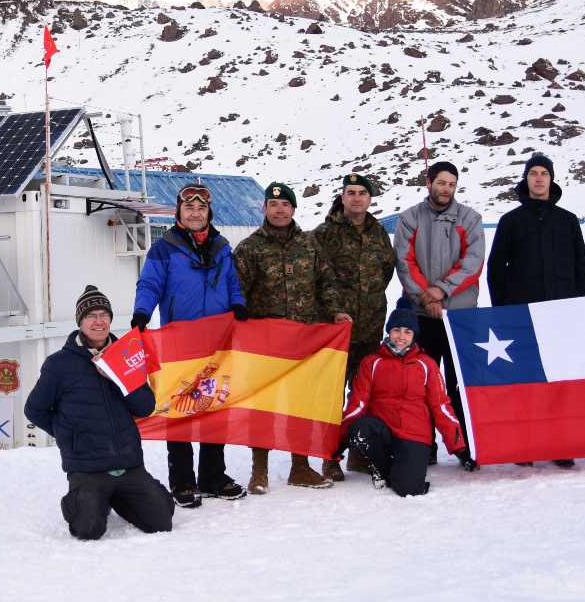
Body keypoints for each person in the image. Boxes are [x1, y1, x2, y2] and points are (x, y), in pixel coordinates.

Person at [24, 285, 174, 540]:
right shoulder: (59, 364)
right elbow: (34, 409)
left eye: (104, 315)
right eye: (91, 315)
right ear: (80, 322)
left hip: (128, 464)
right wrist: (68, 434)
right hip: (88, 468)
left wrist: (117, 377)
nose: (98, 321)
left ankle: (120, 497)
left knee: (161, 521)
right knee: (88, 529)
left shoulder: (124, 355)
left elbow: (145, 407)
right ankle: (81, 501)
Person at [131, 183, 248, 507]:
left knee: (215, 404)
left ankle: (212, 476)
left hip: (218, 341)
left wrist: (238, 304)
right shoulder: (164, 248)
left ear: (208, 212)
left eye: (200, 208)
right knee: (179, 408)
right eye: (189, 208)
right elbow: (150, 282)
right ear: (179, 212)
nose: (195, 213)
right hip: (180, 343)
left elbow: (231, 283)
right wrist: (142, 311)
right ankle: (182, 481)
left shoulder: (222, 246)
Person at [234, 182, 351, 493]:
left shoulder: (309, 245)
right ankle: (259, 470)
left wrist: (337, 311)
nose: (280, 209)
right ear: (264, 209)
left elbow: (326, 283)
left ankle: (300, 466)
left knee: (301, 403)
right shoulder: (248, 248)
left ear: (293, 209)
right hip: (264, 345)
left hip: (303, 340)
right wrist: (237, 319)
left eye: (285, 204)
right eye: (273, 205)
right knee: (264, 407)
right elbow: (236, 292)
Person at [486, 153, 585, 468]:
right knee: (526, 382)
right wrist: (504, 311)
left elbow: (580, 266)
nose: (539, 178)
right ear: (526, 180)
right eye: (534, 173)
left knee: (559, 382)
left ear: (552, 179)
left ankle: (560, 443)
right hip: (522, 315)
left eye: (545, 173)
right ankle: (526, 445)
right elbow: (496, 269)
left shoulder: (567, 220)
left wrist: (573, 302)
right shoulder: (511, 221)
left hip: (559, 315)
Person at [336, 307, 478, 497]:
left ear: (414, 335)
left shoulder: (426, 364)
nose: (401, 336)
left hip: (414, 433)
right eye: (396, 330)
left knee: (408, 489)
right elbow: (357, 404)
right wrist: (340, 440)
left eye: (407, 331)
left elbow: (441, 406)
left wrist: (459, 446)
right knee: (361, 427)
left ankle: (400, 469)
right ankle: (380, 467)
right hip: (383, 431)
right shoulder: (372, 362)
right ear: (389, 331)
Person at [393, 161, 484, 455]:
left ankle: (465, 444)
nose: (446, 189)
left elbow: (473, 262)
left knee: (459, 384)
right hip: (422, 316)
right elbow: (405, 264)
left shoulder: (470, 218)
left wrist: (441, 291)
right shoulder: (409, 218)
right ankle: (424, 445)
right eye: (441, 182)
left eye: (451, 184)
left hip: (459, 316)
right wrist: (427, 298)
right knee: (421, 383)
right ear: (429, 182)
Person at [312, 173, 395, 481]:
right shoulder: (324, 234)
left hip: (371, 326)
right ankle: (330, 456)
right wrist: (335, 308)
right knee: (332, 396)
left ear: (369, 199)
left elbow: (386, 269)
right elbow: (315, 278)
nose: (357, 197)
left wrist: (368, 299)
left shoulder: (378, 233)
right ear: (342, 197)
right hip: (336, 330)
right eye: (351, 192)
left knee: (365, 393)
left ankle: (360, 453)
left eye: (362, 192)